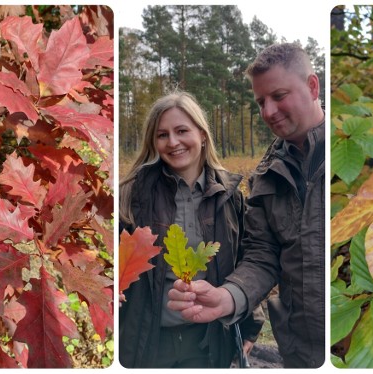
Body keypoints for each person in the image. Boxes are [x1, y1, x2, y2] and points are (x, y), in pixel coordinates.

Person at [168, 43, 325, 368]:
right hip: (302, 352)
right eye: (260, 102)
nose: (268, 111)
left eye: (278, 96)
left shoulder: (357, 154)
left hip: (363, 338)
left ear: (312, 87)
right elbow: (262, 255)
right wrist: (228, 297)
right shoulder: (266, 176)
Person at [118, 91, 264, 368]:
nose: (173, 142)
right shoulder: (132, 195)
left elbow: (244, 260)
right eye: (162, 135)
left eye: (181, 130)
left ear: (202, 134)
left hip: (207, 341)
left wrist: (251, 323)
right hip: (146, 342)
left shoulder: (229, 196)